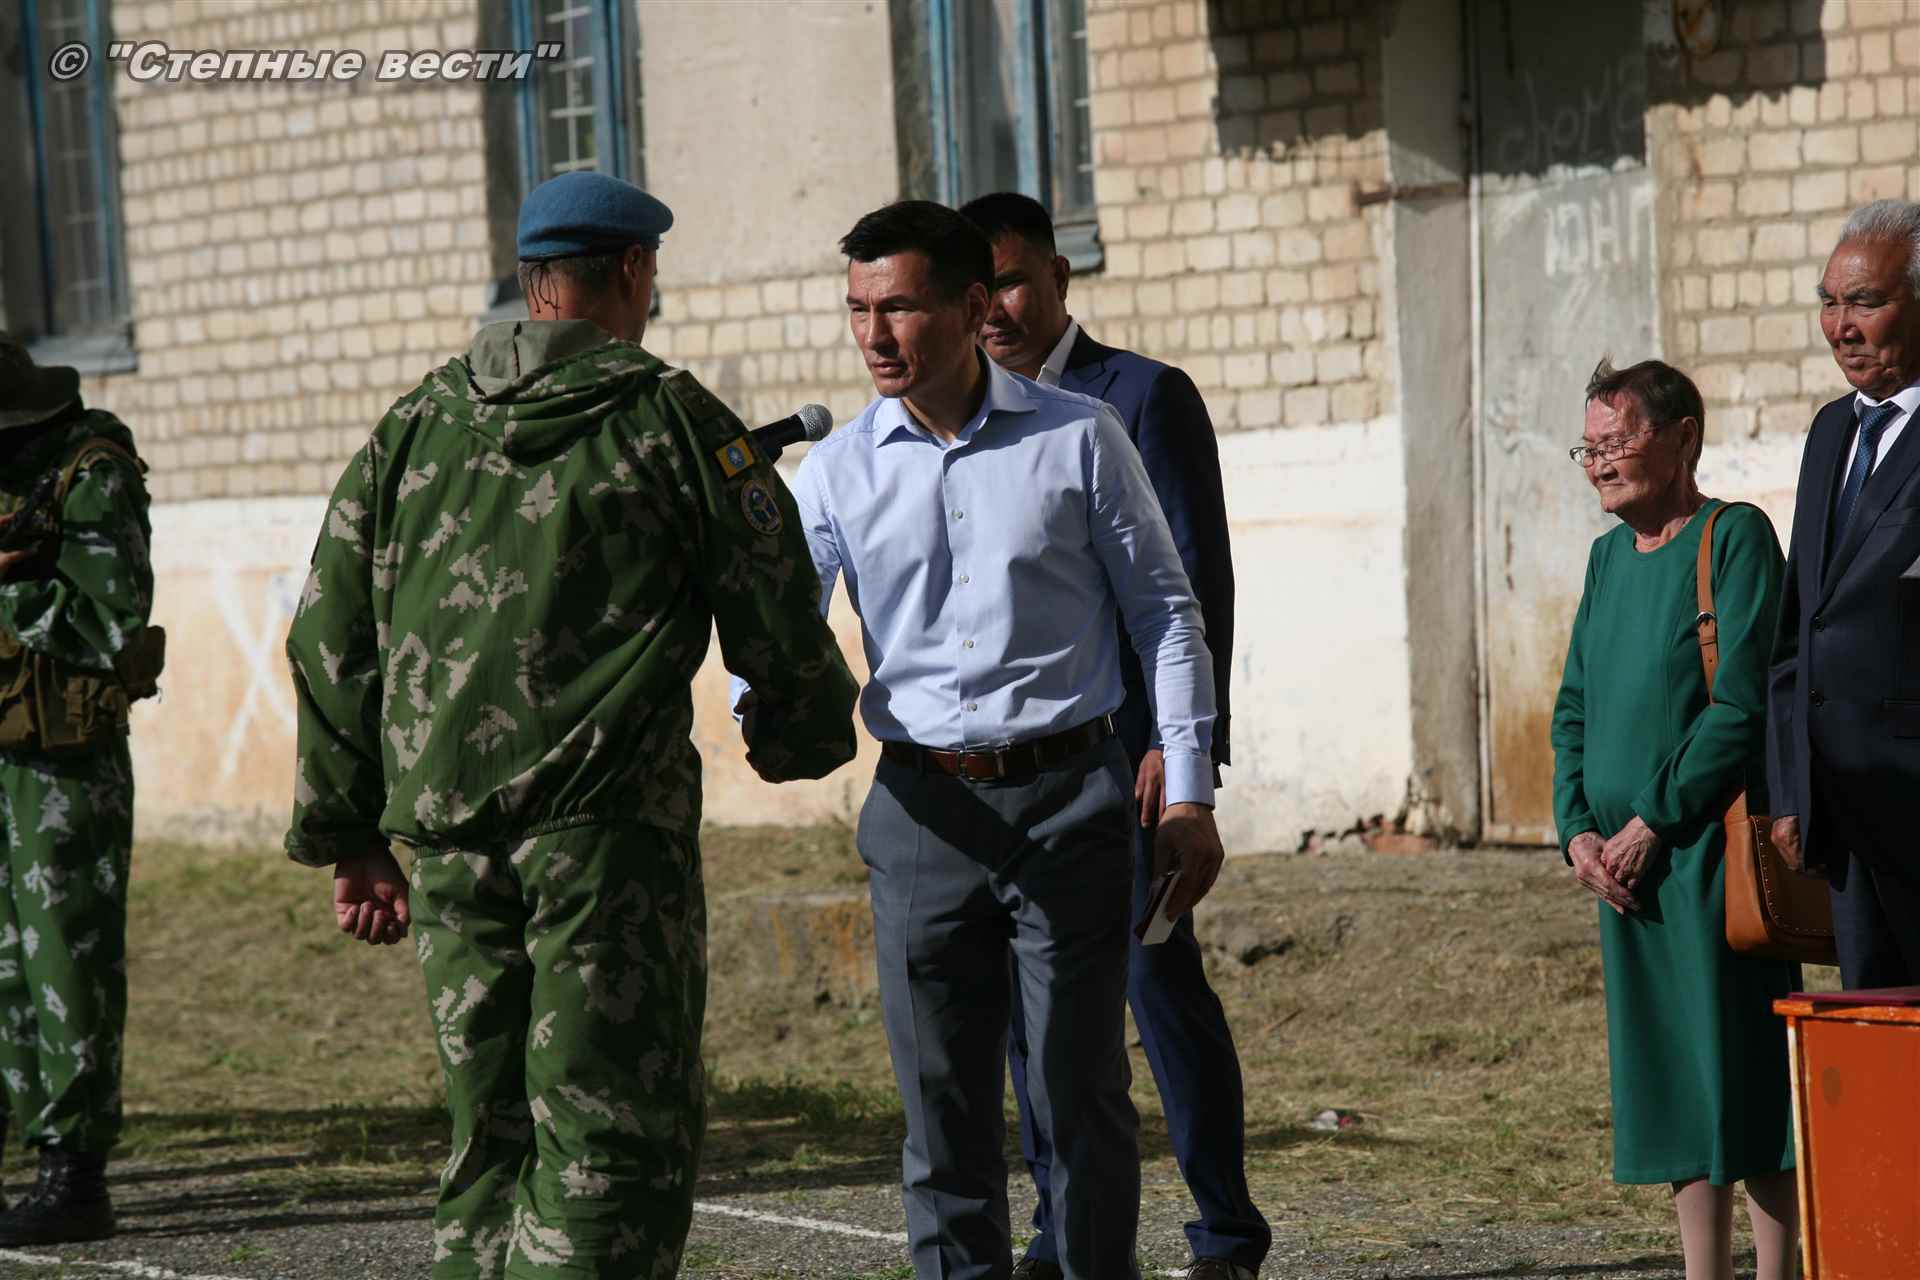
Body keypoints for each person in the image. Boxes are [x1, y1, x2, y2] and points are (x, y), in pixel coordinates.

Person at [284, 171, 859, 1280]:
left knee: (487, 1143)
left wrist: (350, 832)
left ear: (532, 279)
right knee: (608, 1146)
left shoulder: (414, 425)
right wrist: (801, 735)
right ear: (633, 270)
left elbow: (328, 636)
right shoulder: (669, 418)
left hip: (447, 848)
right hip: (604, 852)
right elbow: (775, 602)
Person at [763, 198, 1223, 1280]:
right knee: (941, 1109)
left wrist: (1190, 789)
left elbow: (1168, 615)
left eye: (899, 307)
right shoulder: (835, 468)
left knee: (1078, 1094)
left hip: (1069, 803)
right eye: (858, 309)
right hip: (919, 812)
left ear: (972, 307)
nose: (875, 334)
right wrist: (764, 698)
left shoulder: (1079, 436)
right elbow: (776, 626)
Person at [958, 191, 1264, 1280]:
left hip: (1130, 764)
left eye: (1010, 281)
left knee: (1156, 985)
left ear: (1057, 277)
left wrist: (1182, 754)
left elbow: (1192, 586)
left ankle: (1225, 1232)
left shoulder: (1140, 395)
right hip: (1018, 777)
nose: (995, 310)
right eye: (977, 289)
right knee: (1027, 1012)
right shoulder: (966, 417)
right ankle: (1061, 1227)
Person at [1551, 359, 1797, 1280]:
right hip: (1625, 874)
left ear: (1682, 436)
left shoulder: (1734, 538)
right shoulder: (1606, 559)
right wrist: (1577, 830)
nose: (1599, 463)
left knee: (1744, 1071)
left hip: (1705, 854)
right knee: (1670, 1079)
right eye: (1589, 448)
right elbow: (1573, 707)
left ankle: (1777, 1269)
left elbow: (1742, 704)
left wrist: (1653, 819)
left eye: (1616, 442)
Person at [0, 336, 156, 1244]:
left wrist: (10, 595)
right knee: (5, 967)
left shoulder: (90, 472)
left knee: (67, 958)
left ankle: (74, 1173)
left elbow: (110, 616)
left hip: (64, 761)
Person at [1769, 198, 1920, 990]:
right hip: (1843, 813)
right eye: (1828, 302)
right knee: (1873, 1028)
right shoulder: (1832, 431)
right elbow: (1804, 622)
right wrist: (1792, 787)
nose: (1841, 327)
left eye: (1865, 301)